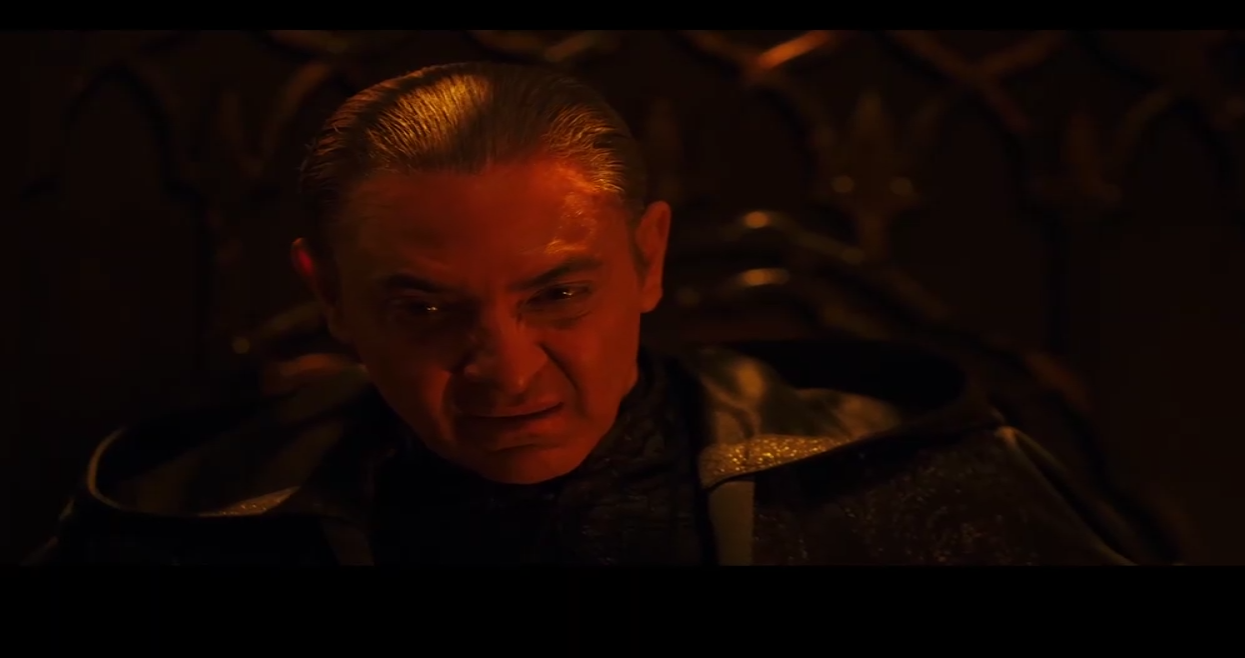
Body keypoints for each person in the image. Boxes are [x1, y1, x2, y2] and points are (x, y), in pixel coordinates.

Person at [28, 62, 1136, 565]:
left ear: (647, 259)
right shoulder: (187, 530)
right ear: (330, 299)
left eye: (558, 295)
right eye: (427, 309)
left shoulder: (900, 490)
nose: (507, 372)